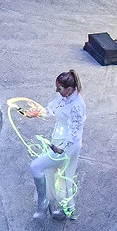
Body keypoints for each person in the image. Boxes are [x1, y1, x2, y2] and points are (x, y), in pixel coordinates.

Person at [25, 69, 85, 222]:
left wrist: (62, 147)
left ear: (70, 89)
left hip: (66, 147)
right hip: (57, 141)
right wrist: (38, 113)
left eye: (60, 88)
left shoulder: (77, 106)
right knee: (53, 173)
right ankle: (56, 206)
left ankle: (43, 204)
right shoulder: (61, 97)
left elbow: (75, 132)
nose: (56, 91)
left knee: (36, 166)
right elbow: (51, 108)